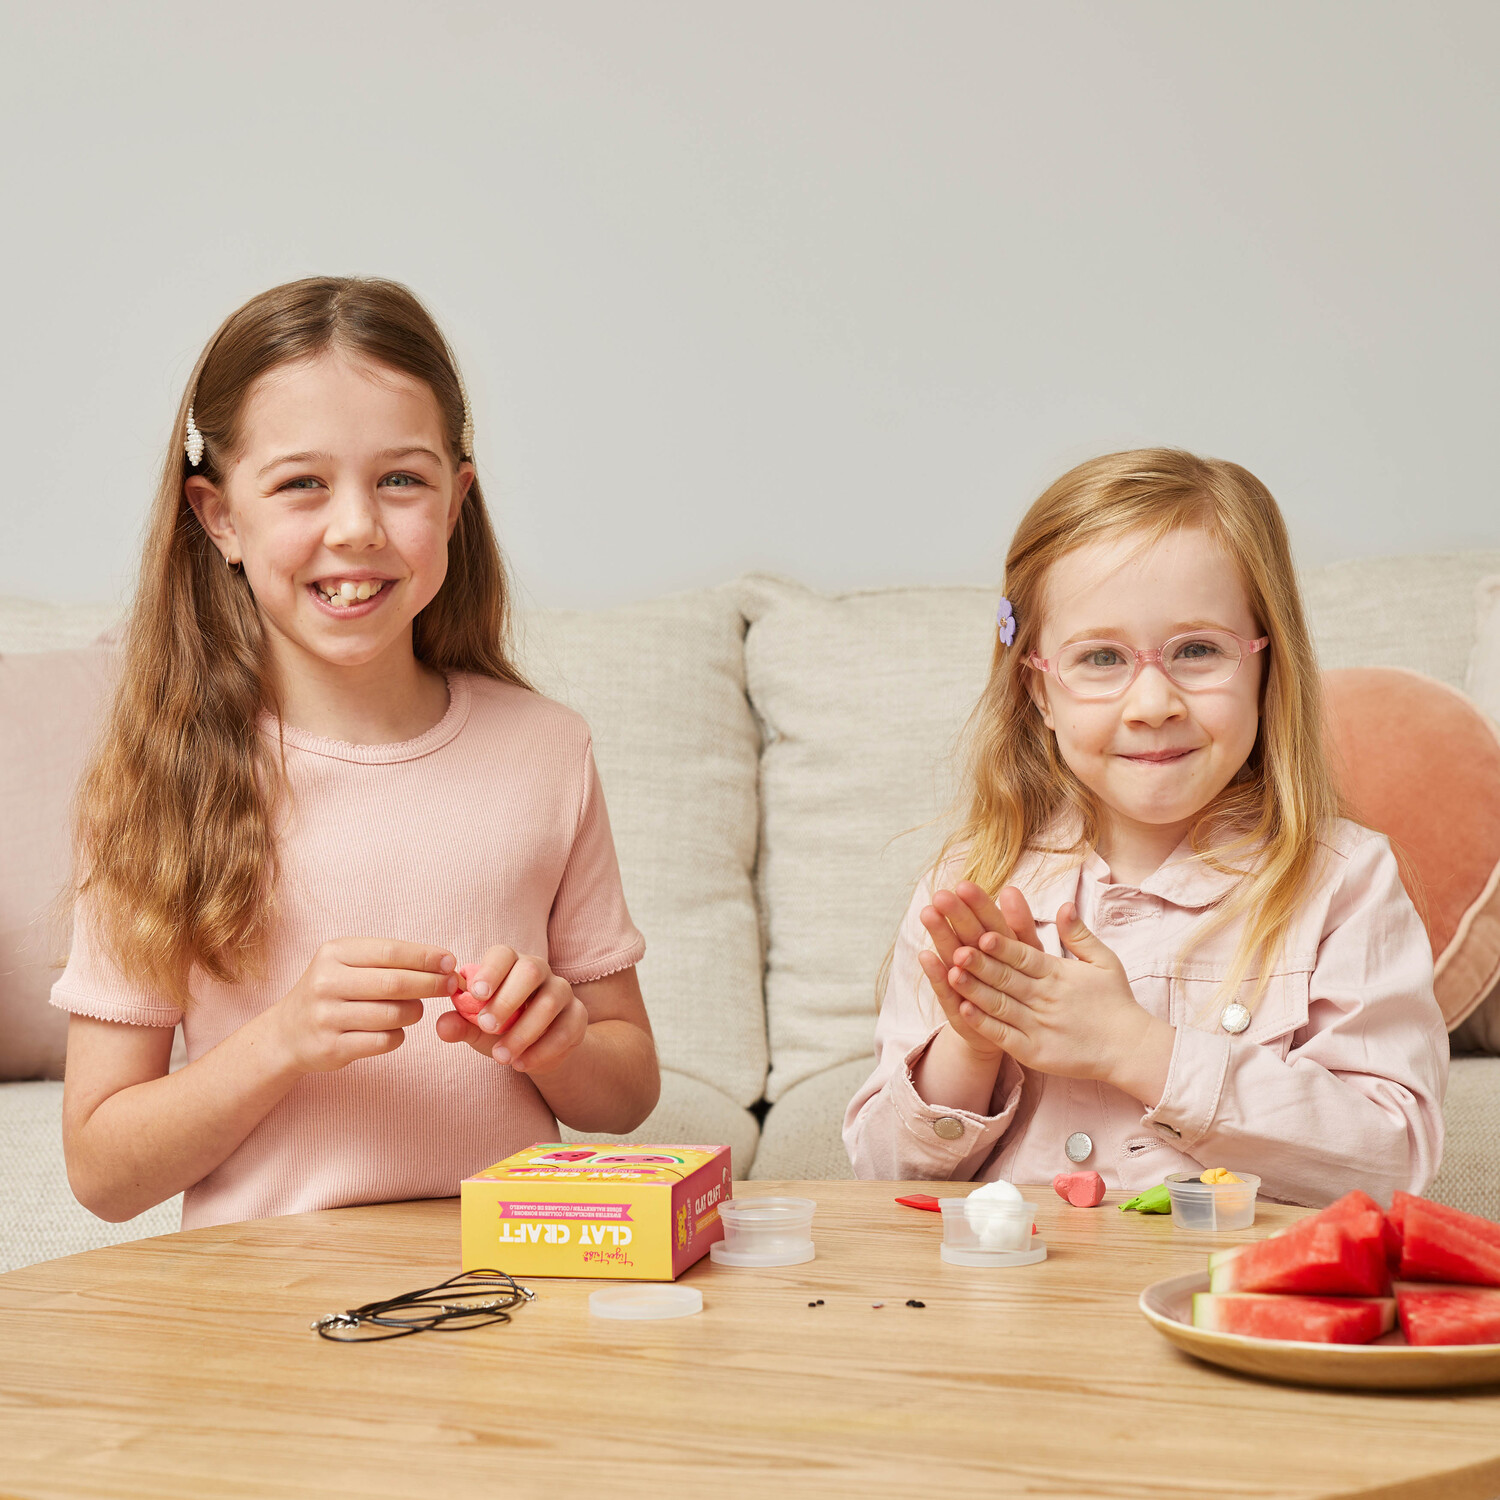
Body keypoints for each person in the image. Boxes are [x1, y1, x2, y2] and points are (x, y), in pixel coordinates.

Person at [56, 277, 659, 1229]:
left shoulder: (546, 750)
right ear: (219, 519)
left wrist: (561, 1043)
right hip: (269, 1307)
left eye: (401, 479)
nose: (356, 528)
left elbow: (625, 1095)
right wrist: (281, 1042)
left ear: (457, 501)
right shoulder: (160, 782)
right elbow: (102, 1171)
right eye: (301, 483)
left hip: (507, 1284)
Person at [844, 449, 1446, 1206]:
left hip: (1228, 1304)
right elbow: (879, 1180)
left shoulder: (1343, 882)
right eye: (1100, 657)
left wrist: (1135, 1048)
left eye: (1198, 650)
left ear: (1267, 663)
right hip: (1012, 1311)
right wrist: (971, 1048)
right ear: (1037, 689)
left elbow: (1390, 1162)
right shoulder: (974, 886)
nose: (1152, 701)